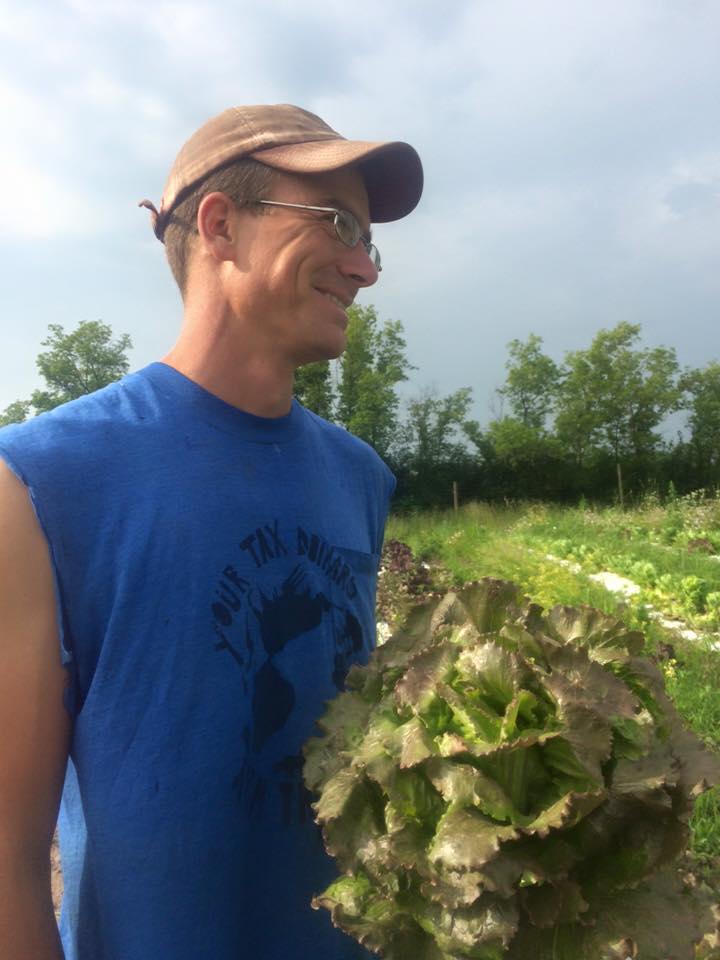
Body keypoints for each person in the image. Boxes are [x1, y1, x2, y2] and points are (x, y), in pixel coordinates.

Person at [0, 104, 423, 960]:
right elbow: (6, 860)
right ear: (220, 225)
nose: (363, 269)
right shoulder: (40, 479)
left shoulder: (361, 479)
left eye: (369, 241)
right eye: (339, 224)